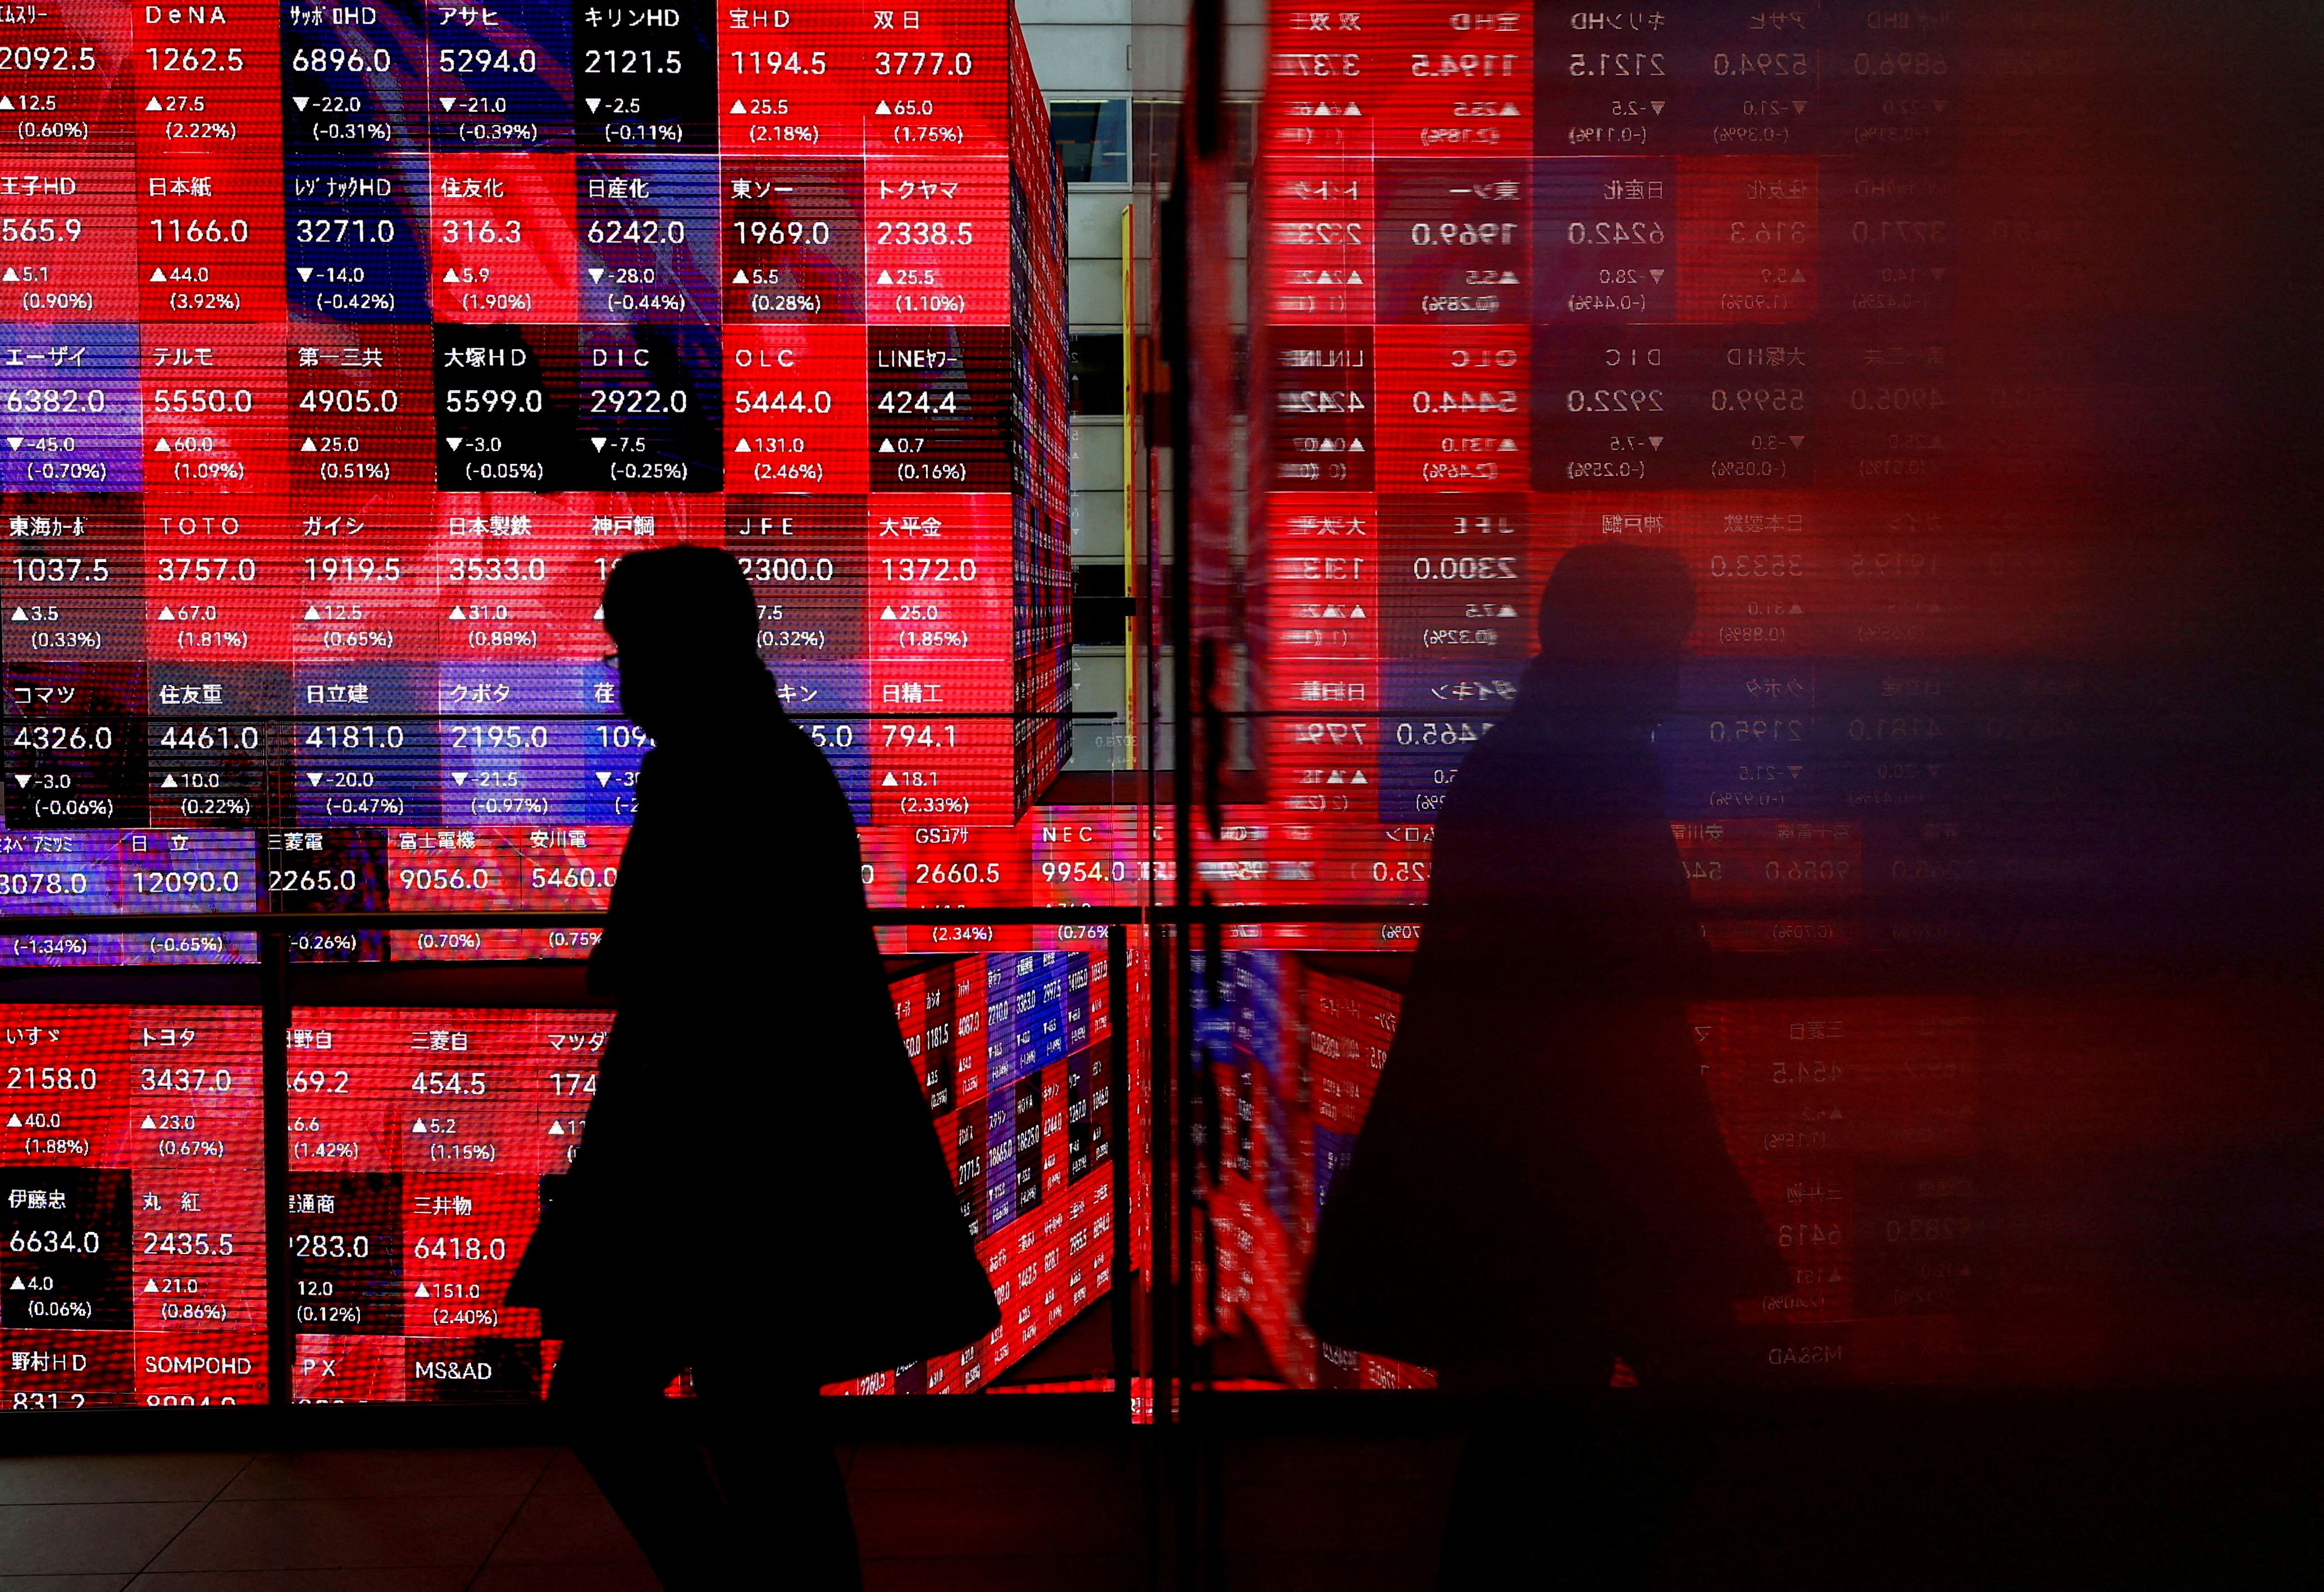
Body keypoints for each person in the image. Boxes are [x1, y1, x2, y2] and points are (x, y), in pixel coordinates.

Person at [507, 545, 999, 1590]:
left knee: (621, 1397)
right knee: (757, 1413)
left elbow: (661, 960)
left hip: (703, 1158)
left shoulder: (709, 770)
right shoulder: (774, 761)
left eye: (630, 646)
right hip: (768, 1160)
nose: (622, 674)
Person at [1302, 542, 1785, 1590]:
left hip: (1517, 1179)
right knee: (1685, 1396)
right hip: (1588, 1171)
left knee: (1525, 1441)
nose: (1677, 670)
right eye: (1664, 644)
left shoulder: (1525, 758)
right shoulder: (1587, 770)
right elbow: (1646, 956)